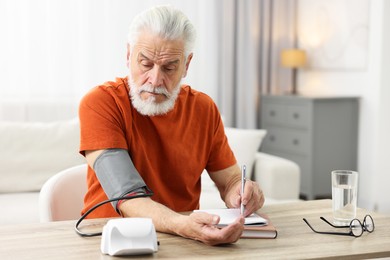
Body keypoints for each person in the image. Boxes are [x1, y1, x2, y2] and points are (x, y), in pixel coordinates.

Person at [79, 5, 264, 246]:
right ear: (128, 55)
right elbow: (126, 194)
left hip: (185, 239)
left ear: (186, 65)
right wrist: (183, 226)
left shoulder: (204, 109)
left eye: (169, 68)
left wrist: (241, 193)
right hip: (111, 238)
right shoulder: (101, 103)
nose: (155, 80)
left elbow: (229, 181)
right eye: (145, 64)